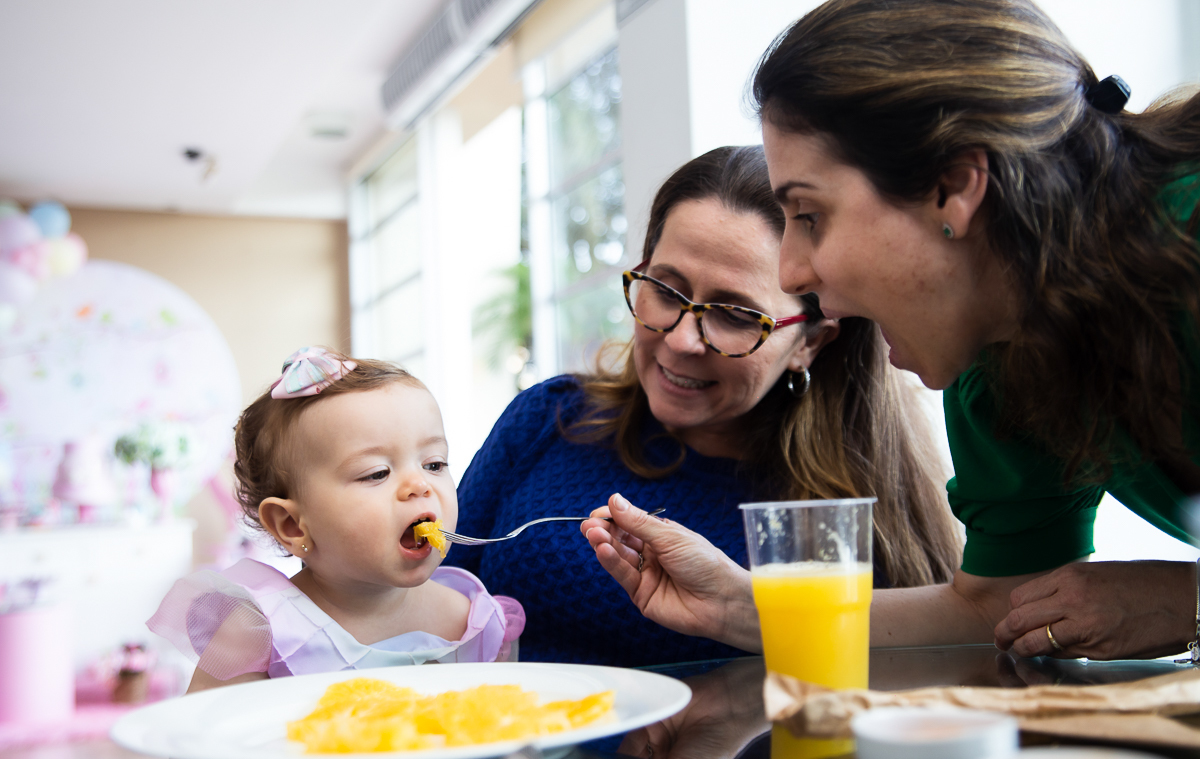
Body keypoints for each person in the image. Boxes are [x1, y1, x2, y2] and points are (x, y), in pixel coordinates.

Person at [584, 0, 1200, 663]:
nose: (792, 271)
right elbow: (994, 605)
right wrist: (739, 604)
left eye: (809, 215)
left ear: (956, 187)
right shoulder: (998, 365)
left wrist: (1181, 598)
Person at [444, 145, 962, 666]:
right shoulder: (548, 419)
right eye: (666, 290)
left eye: (736, 315)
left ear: (810, 343)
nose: (682, 341)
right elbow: (421, 595)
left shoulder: (850, 516)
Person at [148, 347, 523, 692]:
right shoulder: (261, 632)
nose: (419, 485)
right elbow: (203, 751)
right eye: (376, 473)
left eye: (434, 464)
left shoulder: (477, 622)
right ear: (293, 526)